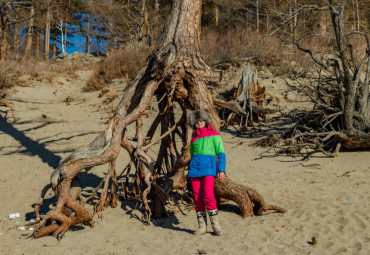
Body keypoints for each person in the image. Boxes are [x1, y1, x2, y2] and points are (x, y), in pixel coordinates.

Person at [188, 109, 226, 236]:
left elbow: (221, 153)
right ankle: (202, 226)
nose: (199, 123)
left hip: (209, 169)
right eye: (196, 121)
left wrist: (221, 170)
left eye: (200, 120)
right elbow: (192, 155)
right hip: (194, 171)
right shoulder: (194, 140)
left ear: (205, 120)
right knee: (197, 197)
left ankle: (216, 226)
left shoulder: (215, 135)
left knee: (209, 195)